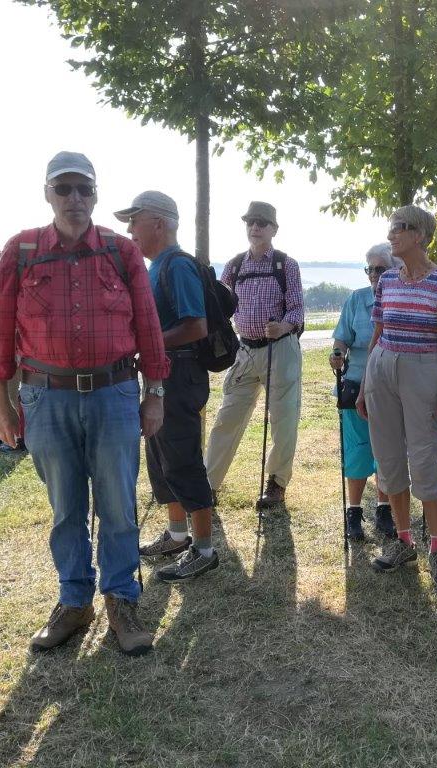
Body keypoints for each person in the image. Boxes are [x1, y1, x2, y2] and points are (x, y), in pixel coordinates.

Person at [0, 151, 169, 656]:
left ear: (96, 195)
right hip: (45, 398)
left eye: (84, 190)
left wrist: (154, 394)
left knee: (118, 504)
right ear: (48, 193)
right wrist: (1, 400)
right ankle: (74, 600)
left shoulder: (119, 250)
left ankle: (122, 601)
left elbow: (149, 328)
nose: (74, 199)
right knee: (66, 507)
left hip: (113, 394)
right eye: (64, 189)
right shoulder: (21, 250)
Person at [116, 191, 219, 581]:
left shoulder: (176, 266)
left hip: (181, 374)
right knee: (161, 459)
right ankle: (178, 535)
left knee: (182, 458)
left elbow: (196, 326)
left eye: (135, 220)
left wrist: (149, 344)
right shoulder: (158, 265)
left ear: (158, 223)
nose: (130, 229)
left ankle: (204, 548)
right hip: (164, 374)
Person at [356, 205, 437, 587]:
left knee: (424, 458)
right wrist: (366, 383)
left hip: (422, 370)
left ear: (419, 235)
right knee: (387, 457)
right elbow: (377, 334)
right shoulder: (387, 282)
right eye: (391, 228)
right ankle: (403, 541)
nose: (391, 235)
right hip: (382, 368)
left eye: (398, 228)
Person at [206, 201, 304, 509]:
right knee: (227, 418)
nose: (255, 227)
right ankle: (207, 485)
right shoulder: (235, 266)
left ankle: (276, 483)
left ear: (274, 229)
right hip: (245, 350)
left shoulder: (286, 265)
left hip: (281, 349)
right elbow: (220, 307)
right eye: (251, 222)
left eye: (262, 222)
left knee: (283, 420)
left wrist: (285, 325)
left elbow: (298, 309)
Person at [330, 243, 398, 540]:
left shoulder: (400, 300)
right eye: (369, 268)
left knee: (388, 451)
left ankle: (384, 510)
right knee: (358, 450)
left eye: (379, 268)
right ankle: (354, 512)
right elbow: (342, 338)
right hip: (356, 380)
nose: (373, 274)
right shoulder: (356, 300)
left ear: (394, 269)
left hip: (391, 384)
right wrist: (337, 352)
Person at [0, 250, 26, 454]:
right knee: (13, 394)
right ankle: (13, 438)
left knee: (11, 394)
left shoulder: (10, 290)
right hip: (8, 352)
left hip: (13, 352)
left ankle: (12, 439)